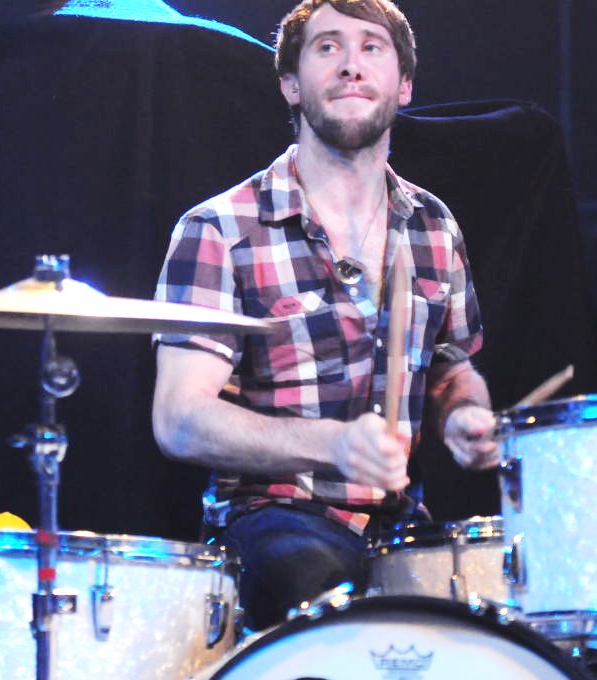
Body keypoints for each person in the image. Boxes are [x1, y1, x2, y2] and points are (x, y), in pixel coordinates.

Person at [151, 0, 498, 631]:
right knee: (316, 580)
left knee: (494, 617)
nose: (351, 65)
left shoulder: (433, 226)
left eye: (372, 47)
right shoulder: (220, 229)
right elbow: (179, 420)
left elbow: (451, 367)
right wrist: (332, 444)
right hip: (272, 521)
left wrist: (464, 416)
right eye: (328, 46)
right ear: (291, 83)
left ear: (404, 85)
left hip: (397, 528)